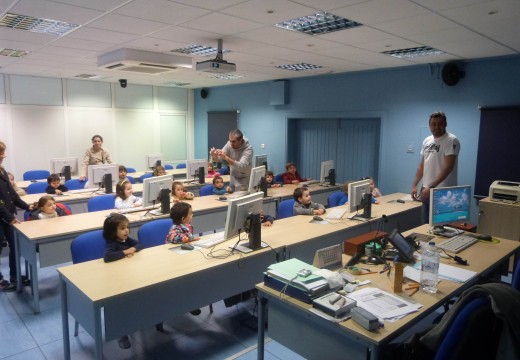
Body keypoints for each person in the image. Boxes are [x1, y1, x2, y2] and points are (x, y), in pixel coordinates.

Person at [102, 213, 144, 349]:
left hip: (129, 274)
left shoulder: (126, 240)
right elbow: (108, 257)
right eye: (122, 228)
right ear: (113, 232)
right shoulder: (112, 243)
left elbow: (140, 244)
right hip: (115, 279)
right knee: (121, 304)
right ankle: (121, 333)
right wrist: (125, 253)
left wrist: (132, 249)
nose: (126, 230)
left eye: (127, 227)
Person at [411, 111, 460, 223]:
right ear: (429, 125)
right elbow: (422, 165)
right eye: (433, 124)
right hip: (427, 190)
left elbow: (448, 168)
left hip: (443, 192)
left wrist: (431, 187)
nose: (436, 127)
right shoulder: (427, 141)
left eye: (440, 123)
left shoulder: (451, 140)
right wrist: (414, 185)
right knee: (425, 225)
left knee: (442, 227)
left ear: (445, 124)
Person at [0, 141, 33, 292]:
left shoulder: (2, 170)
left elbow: (12, 195)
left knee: (14, 246)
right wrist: (10, 217)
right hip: (3, 217)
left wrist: (27, 206)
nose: (4, 155)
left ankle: (15, 276)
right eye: (1, 152)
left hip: (7, 217)